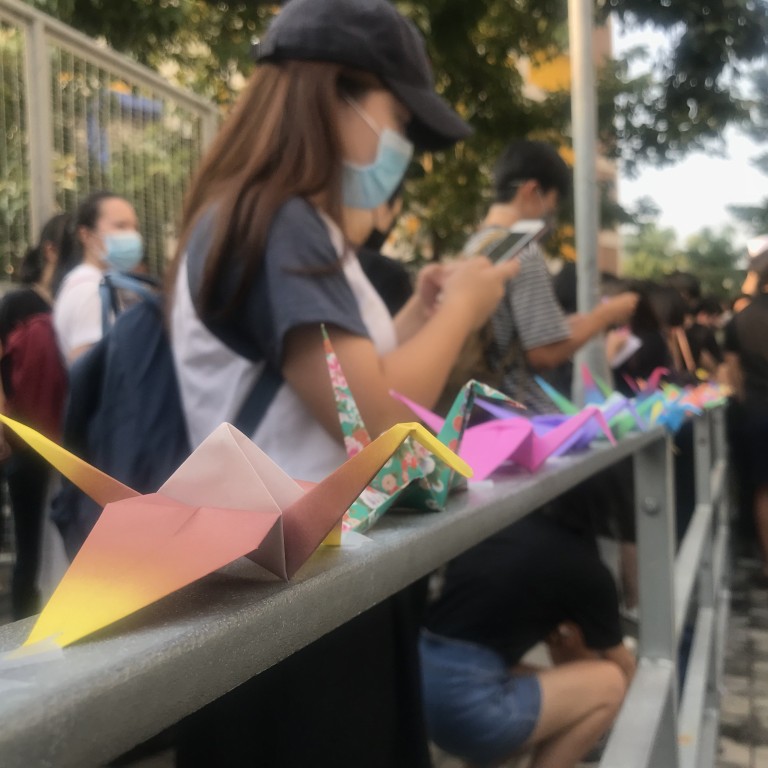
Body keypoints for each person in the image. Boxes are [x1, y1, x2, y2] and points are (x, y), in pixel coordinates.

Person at [167, 1, 519, 765]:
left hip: (298, 594)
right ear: (338, 93)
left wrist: (424, 313)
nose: (404, 150)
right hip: (288, 616)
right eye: (399, 121)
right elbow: (376, 432)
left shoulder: (281, 220)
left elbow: (358, 389)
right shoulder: (275, 217)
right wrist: (460, 311)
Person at [421, 512, 634, 768]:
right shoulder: (583, 567)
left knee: (541, 691)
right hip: (465, 709)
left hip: (418, 693)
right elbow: (623, 667)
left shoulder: (501, 525)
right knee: (610, 682)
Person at [456, 140, 638, 413]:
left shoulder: (474, 246)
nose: (549, 217)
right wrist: (607, 315)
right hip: (514, 410)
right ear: (532, 191)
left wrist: (577, 322)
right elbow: (543, 353)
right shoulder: (522, 250)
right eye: (551, 206)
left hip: (471, 407)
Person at [0, 213, 69, 618]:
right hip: (26, 443)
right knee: (29, 546)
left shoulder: (75, 301)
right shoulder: (19, 303)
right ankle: (23, 631)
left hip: (69, 443)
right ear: (51, 250)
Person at [52, 191, 144, 366]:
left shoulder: (105, 284)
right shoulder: (91, 291)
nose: (132, 235)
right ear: (86, 235)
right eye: (121, 226)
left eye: (134, 227)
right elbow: (88, 368)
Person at [723, 250, 768, 576]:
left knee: (763, 490)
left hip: (756, 411)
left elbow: (732, 373)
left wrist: (744, 400)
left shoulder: (740, 319)